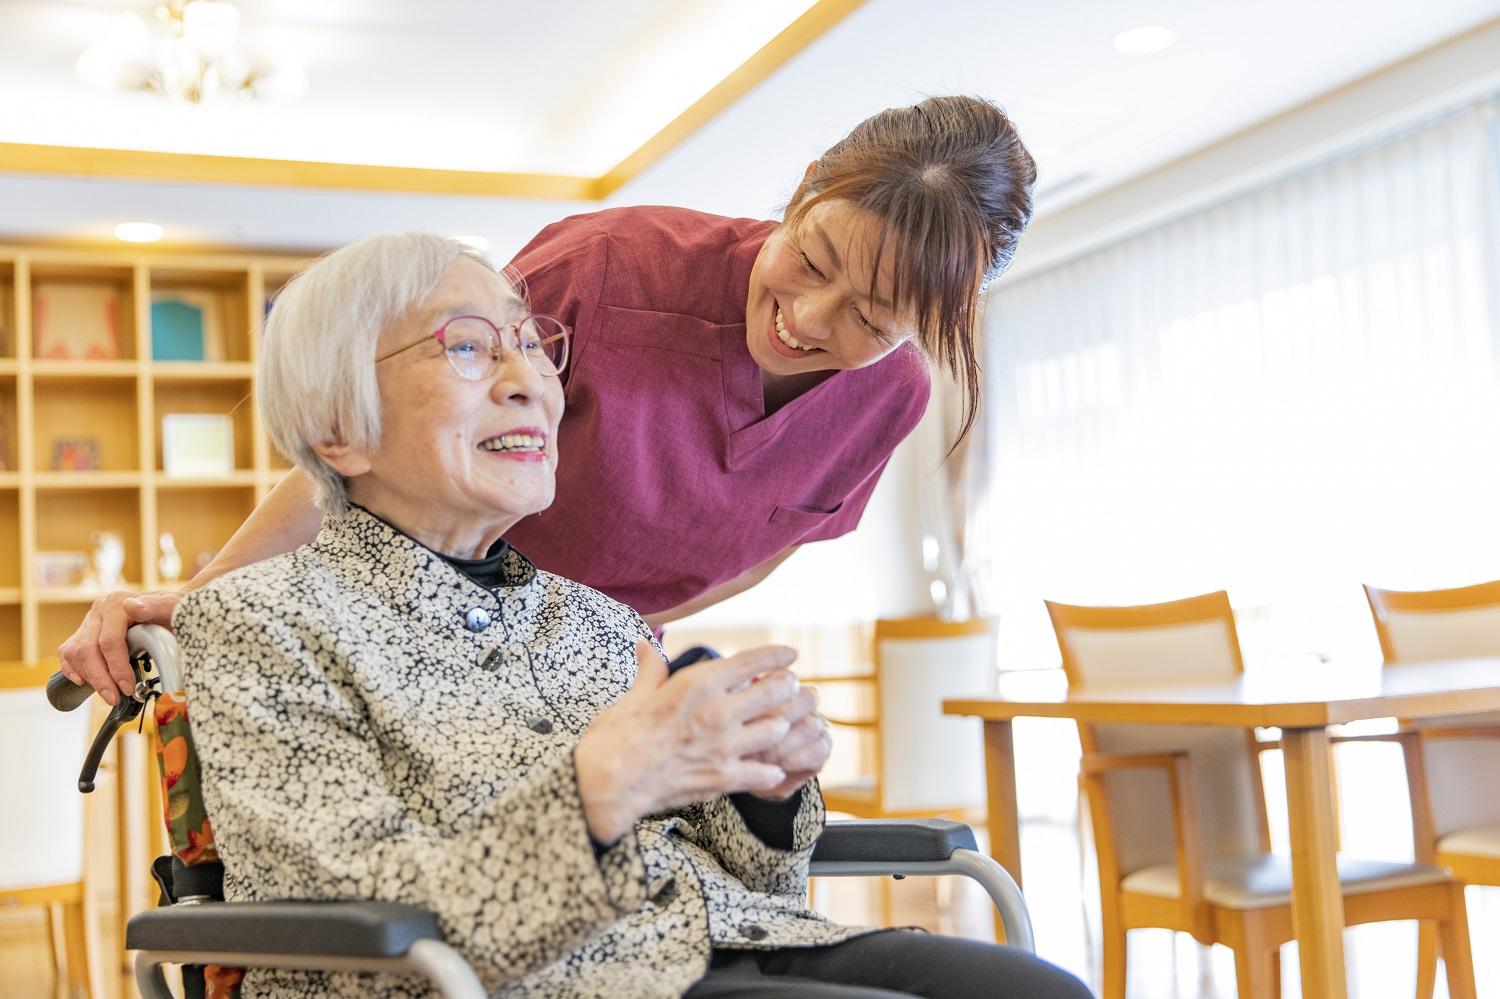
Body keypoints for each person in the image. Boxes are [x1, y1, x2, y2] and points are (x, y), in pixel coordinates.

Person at [176, 233, 1088, 997]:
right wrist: (599, 789)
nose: (529, 380)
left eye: (531, 344)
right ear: (340, 427)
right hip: (538, 978)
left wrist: (762, 791)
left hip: (720, 940)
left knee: (1044, 990)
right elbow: (338, 909)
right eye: (466, 346)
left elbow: (754, 875)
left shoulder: (599, 622)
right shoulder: (261, 620)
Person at [59, 94, 1038, 708]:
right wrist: (204, 594)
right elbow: (373, 448)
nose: (811, 318)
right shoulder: (607, 271)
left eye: (872, 317)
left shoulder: (889, 402)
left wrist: (609, 645)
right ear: (802, 191)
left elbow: (757, 555)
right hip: (423, 647)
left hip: (600, 681)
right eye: (812, 259)